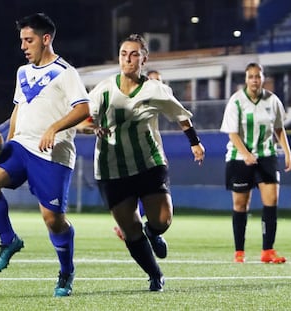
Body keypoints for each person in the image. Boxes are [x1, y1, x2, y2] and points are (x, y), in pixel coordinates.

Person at [77, 34, 205, 292]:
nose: (128, 58)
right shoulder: (103, 89)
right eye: (124, 53)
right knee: (130, 229)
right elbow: (83, 121)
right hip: (111, 168)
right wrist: (92, 129)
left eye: (135, 54)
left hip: (149, 163)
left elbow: (181, 115)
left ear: (144, 59)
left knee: (163, 220)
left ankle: (154, 232)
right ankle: (155, 275)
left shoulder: (155, 89)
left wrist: (195, 142)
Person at [0, 13, 90, 297]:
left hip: (53, 154)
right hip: (21, 146)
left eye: (29, 40)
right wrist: (7, 142)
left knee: (53, 220)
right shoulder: (22, 72)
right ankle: (8, 240)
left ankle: (66, 272)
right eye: (22, 40)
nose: (24, 46)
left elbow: (83, 109)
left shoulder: (66, 72)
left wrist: (54, 127)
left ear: (46, 39)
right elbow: (18, 108)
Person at [220, 62, 291, 264]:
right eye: (251, 76)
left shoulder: (272, 100)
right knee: (241, 204)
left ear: (263, 78)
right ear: (246, 79)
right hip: (239, 158)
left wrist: (287, 151)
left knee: (272, 201)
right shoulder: (236, 101)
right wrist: (245, 153)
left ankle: (267, 250)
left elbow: (278, 128)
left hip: (266, 155)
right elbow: (232, 133)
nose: (254, 80)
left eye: (257, 76)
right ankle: (239, 252)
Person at [113, 69, 165, 240]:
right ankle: (133, 226)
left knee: (156, 197)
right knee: (140, 194)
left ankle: (148, 229)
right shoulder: (134, 101)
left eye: (159, 81)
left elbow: (155, 131)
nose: (156, 85)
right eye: (153, 81)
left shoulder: (156, 104)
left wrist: (161, 153)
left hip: (153, 155)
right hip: (134, 155)